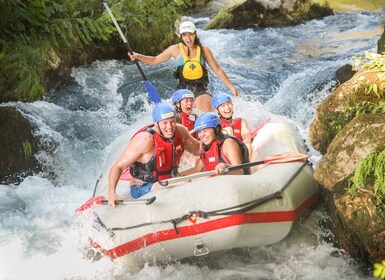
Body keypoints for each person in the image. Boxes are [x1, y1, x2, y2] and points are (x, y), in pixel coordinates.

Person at [127, 20, 240, 113]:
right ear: (181, 36)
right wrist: (138, 56)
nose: (188, 38)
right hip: (182, 92)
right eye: (185, 35)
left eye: (190, 34)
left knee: (205, 112)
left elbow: (218, 70)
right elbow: (155, 60)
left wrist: (231, 87)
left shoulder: (204, 50)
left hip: (201, 90)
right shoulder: (175, 49)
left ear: (195, 34)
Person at [108, 102, 200, 207]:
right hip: (142, 187)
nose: (169, 127)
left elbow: (198, 149)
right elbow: (118, 166)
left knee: (193, 180)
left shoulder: (180, 131)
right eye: (165, 123)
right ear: (156, 123)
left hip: (168, 180)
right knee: (182, 183)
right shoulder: (145, 140)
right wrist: (112, 193)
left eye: (172, 122)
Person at [182, 112, 250, 176]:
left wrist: (226, 167)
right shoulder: (206, 147)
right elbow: (196, 169)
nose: (202, 135)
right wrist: (178, 175)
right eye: (199, 132)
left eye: (205, 131)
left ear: (217, 129)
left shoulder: (228, 143)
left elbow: (240, 171)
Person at [212, 92, 252, 157]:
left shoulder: (241, 122)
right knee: (228, 130)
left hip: (242, 154)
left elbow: (247, 141)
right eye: (223, 106)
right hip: (225, 156)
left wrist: (247, 159)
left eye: (229, 104)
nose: (227, 107)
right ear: (217, 110)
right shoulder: (216, 125)